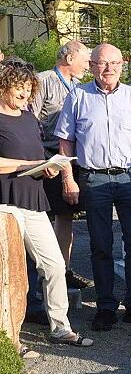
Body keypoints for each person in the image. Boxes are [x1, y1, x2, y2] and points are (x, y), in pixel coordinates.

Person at [55, 43, 131, 331]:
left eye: (115, 63)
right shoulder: (78, 97)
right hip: (94, 180)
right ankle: (105, 306)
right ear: (91, 66)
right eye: (102, 63)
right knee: (101, 245)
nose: (109, 69)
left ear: (122, 66)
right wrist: (68, 178)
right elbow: (66, 141)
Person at [0, 59, 93, 347]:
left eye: (28, 88)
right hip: (4, 203)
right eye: (19, 87)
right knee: (7, 273)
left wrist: (48, 167)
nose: (25, 94)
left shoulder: (29, 117)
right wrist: (29, 164)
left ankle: (60, 327)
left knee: (53, 264)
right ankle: (8, 339)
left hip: (33, 199)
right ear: (3, 86)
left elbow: (38, 154)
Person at [25, 41, 91, 329]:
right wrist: (42, 161)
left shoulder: (79, 87)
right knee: (40, 220)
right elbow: (29, 123)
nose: (88, 64)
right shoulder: (43, 81)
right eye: (86, 59)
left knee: (66, 217)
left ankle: (62, 270)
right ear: (69, 57)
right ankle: (36, 283)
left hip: (69, 162)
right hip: (44, 163)